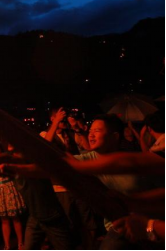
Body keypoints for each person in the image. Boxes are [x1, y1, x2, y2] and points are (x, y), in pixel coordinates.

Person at [74, 114, 154, 250]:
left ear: (115, 136)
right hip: (119, 226)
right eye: (90, 131)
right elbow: (61, 162)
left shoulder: (131, 160)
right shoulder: (88, 160)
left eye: (97, 131)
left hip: (148, 224)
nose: (91, 135)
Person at [41, 107, 95, 248]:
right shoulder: (45, 134)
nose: (64, 120)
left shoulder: (70, 134)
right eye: (61, 118)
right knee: (68, 222)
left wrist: (77, 128)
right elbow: (46, 144)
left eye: (64, 118)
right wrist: (56, 122)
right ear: (53, 119)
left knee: (87, 220)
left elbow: (88, 148)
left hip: (78, 183)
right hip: (60, 186)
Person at [0, 139, 25, 251]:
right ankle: (7, 245)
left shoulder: (3, 156)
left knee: (15, 218)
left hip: (8, 187)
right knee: (4, 220)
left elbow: (0, 164)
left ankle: (21, 243)